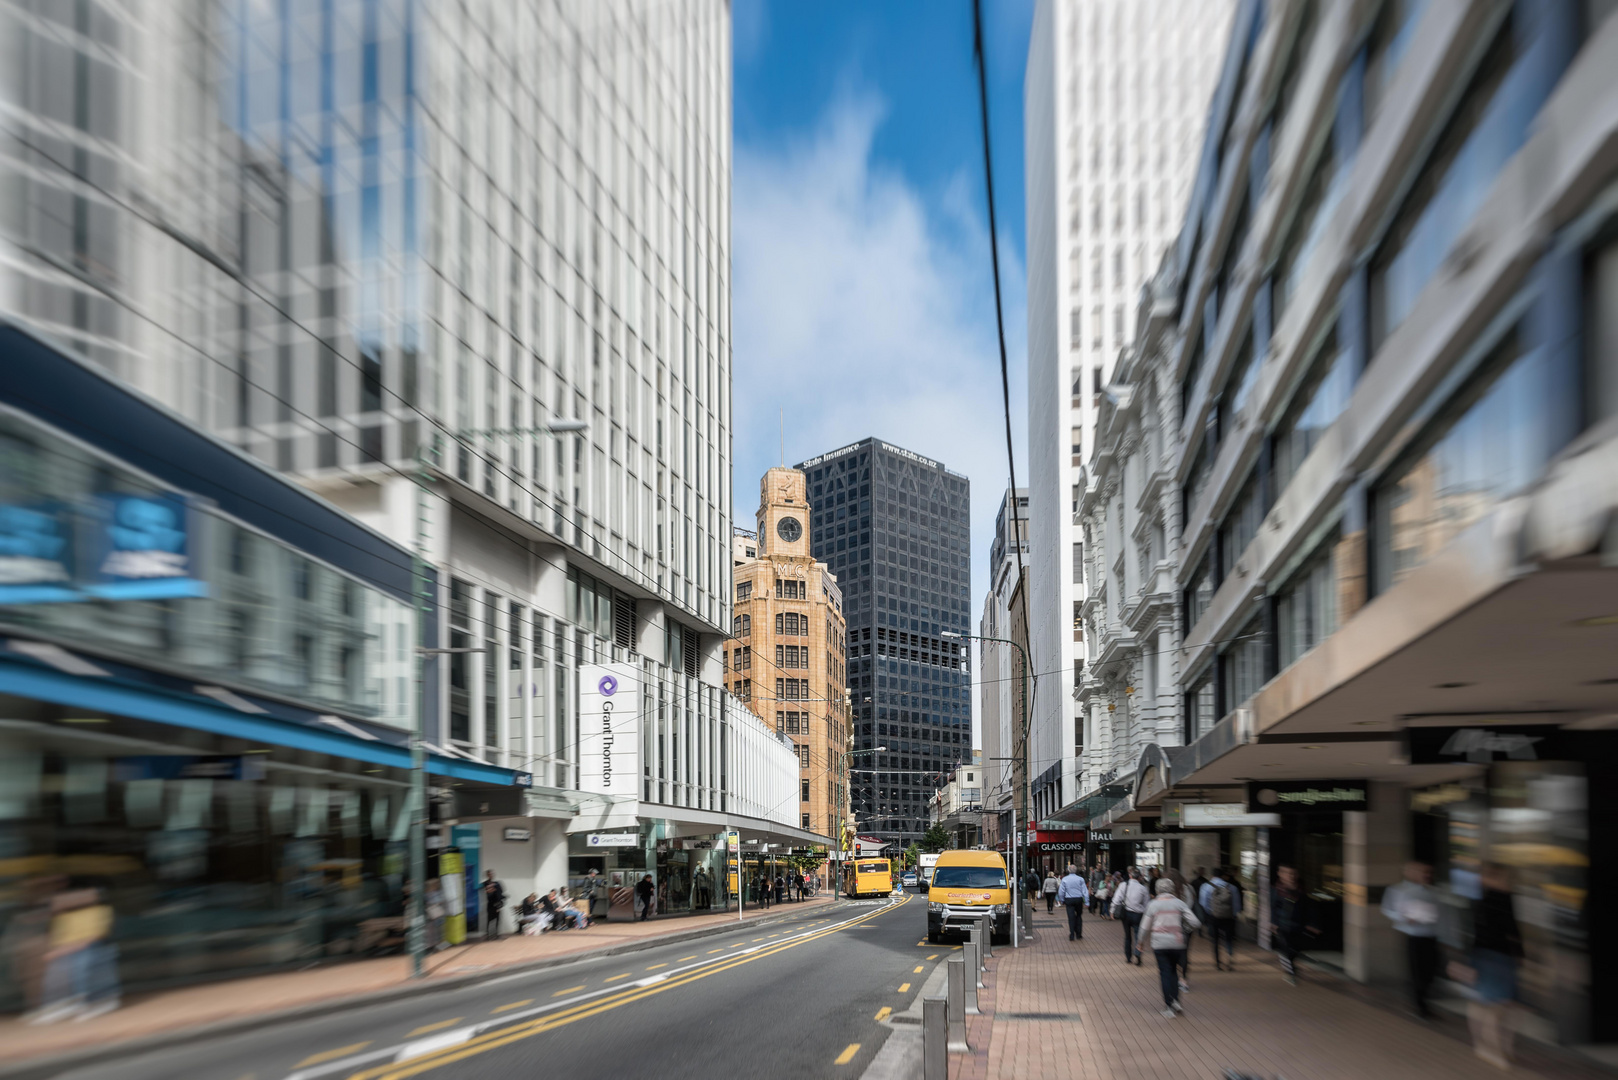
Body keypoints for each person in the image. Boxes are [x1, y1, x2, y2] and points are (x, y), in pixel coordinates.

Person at [1461, 863, 1523, 1069]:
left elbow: (1512, 927)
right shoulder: (1485, 899)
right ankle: (1490, 1049)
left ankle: (1502, 1049)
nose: (1506, 881)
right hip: (1489, 957)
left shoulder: (1499, 897)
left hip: (1500, 957)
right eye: (1500, 877)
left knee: (1503, 1005)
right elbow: (1501, 928)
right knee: (1495, 1006)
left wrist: (1520, 954)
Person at [1382, 860, 1442, 1018]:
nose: (1423, 874)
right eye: (1419, 871)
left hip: (1430, 934)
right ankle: (1419, 1004)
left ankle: (1422, 1000)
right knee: (1417, 971)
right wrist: (1403, 918)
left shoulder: (1433, 891)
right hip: (1411, 933)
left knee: (1429, 970)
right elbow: (1388, 909)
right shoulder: (1398, 889)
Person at [1140, 878, 1200, 1017]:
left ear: (1157, 890)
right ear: (1172, 889)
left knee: (1165, 973)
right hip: (1177, 943)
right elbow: (1195, 922)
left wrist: (1140, 942)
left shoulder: (1153, 905)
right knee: (1174, 972)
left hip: (1159, 944)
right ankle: (1176, 1001)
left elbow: (1144, 927)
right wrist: (1184, 929)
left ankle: (1168, 1006)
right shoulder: (1179, 903)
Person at [1271, 865, 1319, 984]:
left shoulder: (1301, 890)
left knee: (1296, 949)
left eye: (1293, 873)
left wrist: (1312, 923)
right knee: (1286, 948)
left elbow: (1310, 908)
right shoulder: (1276, 890)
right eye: (1287, 873)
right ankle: (1290, 972)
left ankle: (1290, 965)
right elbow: (1272, 907)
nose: (1291, 876)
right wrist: (1274, 923)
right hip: (1282, 925)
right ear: (1280, 874)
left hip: (1298, 925)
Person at [1199, 867, 1242, 971]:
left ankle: (1218, 963)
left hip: (1213, 917)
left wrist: (1210, 912)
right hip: (1229, 917)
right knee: (1228, 939)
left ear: (1212, 875)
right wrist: (1234, 914)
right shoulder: (1231, 887)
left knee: (1215, 940)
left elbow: (1203, 903)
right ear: (1223, 876)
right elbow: (1236, 904)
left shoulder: (1205, 886)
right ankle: (1229, 961)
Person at [1165, 867, 1195, 991]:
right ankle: (1184, 980)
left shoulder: (1170, 891)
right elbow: (1190, 906)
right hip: (1187, 926)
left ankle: (1175, 978)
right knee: (1184, 953)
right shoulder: (1189, 888)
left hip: (1173, 926)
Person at [1115, 868, 1150, 965]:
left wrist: (1112, 910)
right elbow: (1147, 904)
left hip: (1126, 914)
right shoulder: (1143, 888)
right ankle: (1138, 953)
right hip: (1138, 914)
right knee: (1138, 935)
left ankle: (1128, 957)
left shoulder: (1123, 885)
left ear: (1130, 876)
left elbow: (1117, 898)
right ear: (1139, 877)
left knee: (1127, 936)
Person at [1056, 864, 1090, 941]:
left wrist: (1062, 900)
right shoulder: (1080, 879)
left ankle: (1072, 934)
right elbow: (1085, 891)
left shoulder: (1064, 879)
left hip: (1069, 899)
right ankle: (1079, 934)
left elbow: (1061, 891)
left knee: (1071, 917)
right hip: (1078, 899)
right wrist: (1087, 902)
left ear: (1068, 870)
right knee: (1078, 916)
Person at [481, 871, 506, 940]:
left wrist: (499, 905)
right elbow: (482, 891)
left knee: (497, 919)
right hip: (490, 904)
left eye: (491, 874)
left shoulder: (497, 883)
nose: (490, 875)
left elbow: (500, 893)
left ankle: (496, 933)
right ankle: (488, 934)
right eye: (489, 874)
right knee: (489, 919)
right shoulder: (485, 883)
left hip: (497, 904)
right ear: (487, 875)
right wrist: (488, 890)